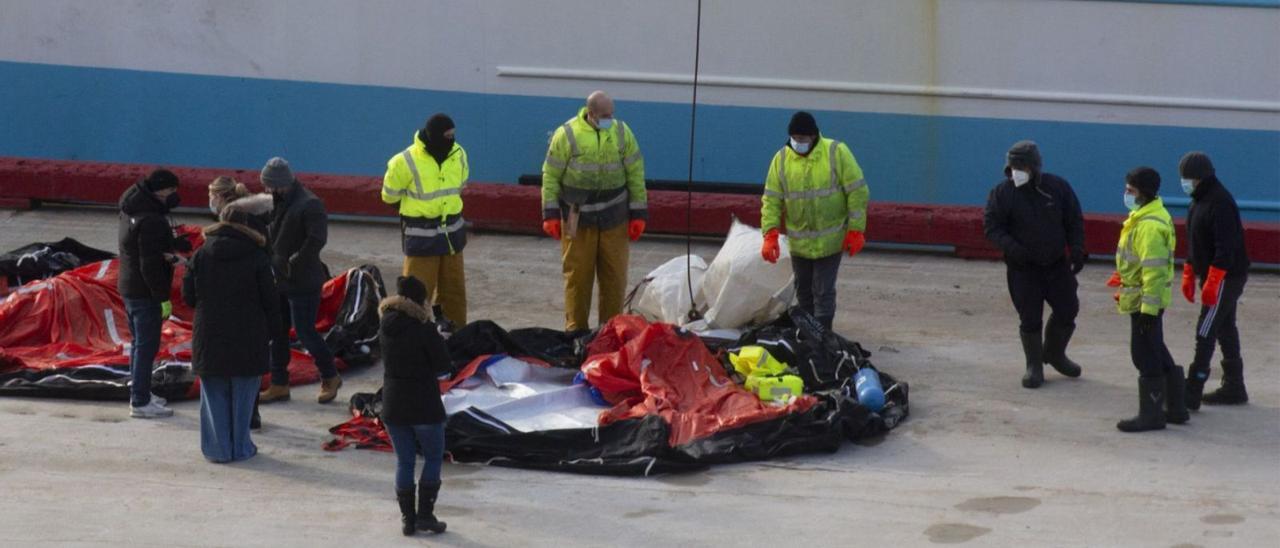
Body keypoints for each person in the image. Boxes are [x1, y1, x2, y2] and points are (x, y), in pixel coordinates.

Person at [182, 194, 279, 462]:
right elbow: (270, 300)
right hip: (248, 334)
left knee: (214, 394)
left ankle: (218, 449)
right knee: (244, 395)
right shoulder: (258, 256)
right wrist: (274, 332)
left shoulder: (200, 254)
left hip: (210, 333)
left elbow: (188, 295)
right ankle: (241, 447)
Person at [983, 141, 1086, 389]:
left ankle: (1054, 353)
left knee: (1068, 309)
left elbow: (1073, 219)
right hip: (1023, 269)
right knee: (1029, 318)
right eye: (1012, 166)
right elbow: (992, 227)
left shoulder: (1057, 188)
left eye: (1021, 166)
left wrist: (1078, 249)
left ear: (1034, 167)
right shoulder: (1002, 193)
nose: (1015, 171)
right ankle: (1034, 365)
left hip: (1056, 265)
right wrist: (1013, 248)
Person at [541, 90, 647, 331]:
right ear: (591, 114)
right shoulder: (567, 134)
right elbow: (551, 175)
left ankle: (610, 332)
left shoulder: (622, 132)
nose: (610, 119)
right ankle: (575, 332)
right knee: (578, 279)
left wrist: (638, 213)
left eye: (612, 114)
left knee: (615, 279)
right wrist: (549, 214)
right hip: (578, 219)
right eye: (605, 115)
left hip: (615, 218)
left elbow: (635, 172)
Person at [759, 111, 869, 331]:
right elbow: (771, 200)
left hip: (830, 241)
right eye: (795, 139)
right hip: (800, 244)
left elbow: (857, 192)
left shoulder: (836, 152)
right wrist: (769, 234)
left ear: (814, 136)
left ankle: (823, 333)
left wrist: (856, 230)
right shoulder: (780, 160)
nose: (799, 143)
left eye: (804, 139)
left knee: (823, 290)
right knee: (803, 291)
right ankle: (808, 332)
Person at [256, 157, 342, 404]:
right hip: (280, 279)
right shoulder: (279, 201)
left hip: (303, 281)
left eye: (269, 186)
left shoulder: (310, 204)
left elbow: (316, 240)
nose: (267, 191)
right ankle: (279, 383)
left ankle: (330, 375)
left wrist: (293, 261)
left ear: (281, 184)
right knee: (278, 332)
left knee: (305, 332)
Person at [1108, 167, 1188, 432]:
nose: (1126, 194)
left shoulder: (1149, 226)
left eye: (1130, 190)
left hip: (1146, 301)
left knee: (1144, 354)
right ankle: (1176, 407)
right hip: (1144, 299)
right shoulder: (1147, 216)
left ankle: (1152, 414)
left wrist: (1147, 311)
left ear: (1143, 192)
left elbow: (1153, 272)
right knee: (1155, 348)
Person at [382, 113, 470, 326]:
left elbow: (461, 182)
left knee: (454, 291)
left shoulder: (458, 154)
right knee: (415, 294)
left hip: (451, 237)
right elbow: (389, 196)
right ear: (433, 135)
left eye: (453, 134)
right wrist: (416, 210)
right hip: (421, 238)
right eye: (447, 135)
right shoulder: (404, 161)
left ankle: (455, 334)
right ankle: (409, 335)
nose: (452, 139)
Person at [1178, 152, 1250, 408]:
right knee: (1224, 326)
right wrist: (1189, 269)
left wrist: (1214, 279)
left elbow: (1226, 246)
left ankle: (1192, 389)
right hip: (1213, 274)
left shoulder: (1220, 203)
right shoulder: (1197, 201)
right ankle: (1234, 386)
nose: (1185, 182)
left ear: (1201, 178)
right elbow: (1195, 241)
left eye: (1189, 178)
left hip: (1226, 276)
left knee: (1206, 327)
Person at [380, 275, 450, 536]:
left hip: (393, 404)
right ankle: (425, 516)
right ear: (421, 302)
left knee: (404, 462)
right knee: (432, 457)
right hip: (424, 405)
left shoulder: (384, 326)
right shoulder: (425, 329)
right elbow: (443, 369)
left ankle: (407, 520)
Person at [117, 168, 188, 418]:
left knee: (138, 345)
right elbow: (149, 264)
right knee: (146, 347)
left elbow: (142, 249)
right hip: (144, 293)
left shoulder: (131, 211)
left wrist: (171, 245)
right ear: (161, 191)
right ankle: (140, 401)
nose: (173, 197)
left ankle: (141, 391)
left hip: (129, 287)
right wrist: (162, 297)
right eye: (171, 191)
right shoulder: (152, 221)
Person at [207, 176, 268, 429]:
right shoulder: (255, 227)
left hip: (227, 311)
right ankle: (249, 414)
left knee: (229, 368)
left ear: (220, 197)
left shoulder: (214, 244)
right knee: (248, 365)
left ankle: (235, 417)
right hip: (251, 310)